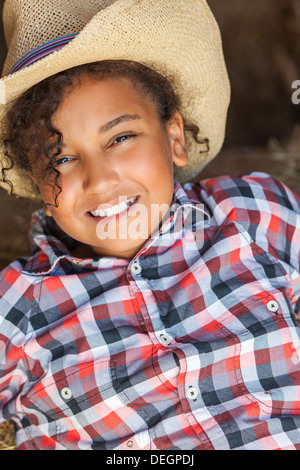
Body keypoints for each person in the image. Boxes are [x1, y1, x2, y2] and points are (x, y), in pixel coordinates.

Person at [0, 0, 299, 451]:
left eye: (120, 137)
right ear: (36, 179)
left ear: (175, 138)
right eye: (60, 158)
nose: (99, 179)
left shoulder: (252, 213)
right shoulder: (17, 310)